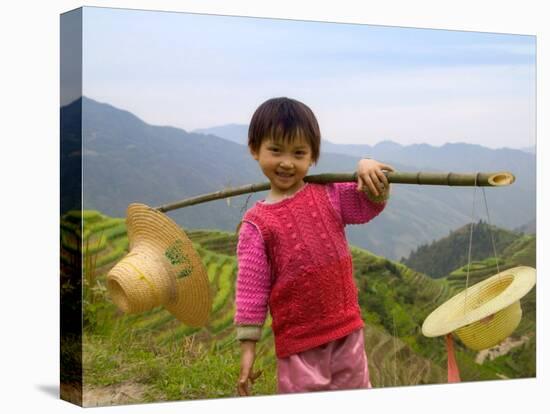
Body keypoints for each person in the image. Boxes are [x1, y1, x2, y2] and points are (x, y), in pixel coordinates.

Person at [234, 97, 393, 396]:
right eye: (275, 150)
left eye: (298, 153)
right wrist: (248, 348)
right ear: (255, 149)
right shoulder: (256, 224)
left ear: (313, 158)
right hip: (299, 344)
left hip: (347, 331)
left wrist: (367, 167)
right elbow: (251, 292)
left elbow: (369, 202)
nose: (286, 162)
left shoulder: (328, 195)